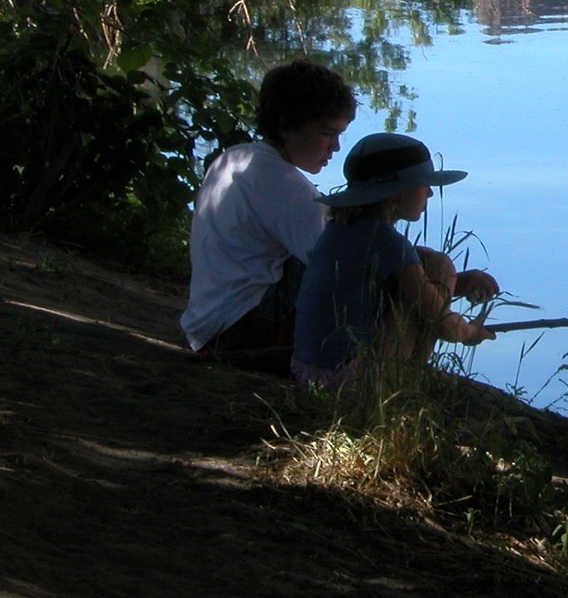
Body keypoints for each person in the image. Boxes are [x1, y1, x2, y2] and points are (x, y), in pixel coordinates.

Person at [180, 60, 357, 367]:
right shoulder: (283, 183)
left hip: (207, 325)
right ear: (287, 124)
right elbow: (340, 263)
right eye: (327, 133)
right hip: (240, 330)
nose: (336, 147)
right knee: (359, 270)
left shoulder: (234, 158)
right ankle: (368, 374)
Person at [290, 132, 497, 391]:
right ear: (396, 193)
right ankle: (403, 383)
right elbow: (442, 324)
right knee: (440, 266)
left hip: (305, 371)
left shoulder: (340, 230)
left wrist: (459, 283)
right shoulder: (387, 243)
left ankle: (405, 378)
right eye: (424, 185)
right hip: (347, 380)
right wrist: (471, 332)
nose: (431, 193)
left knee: (433, 262)